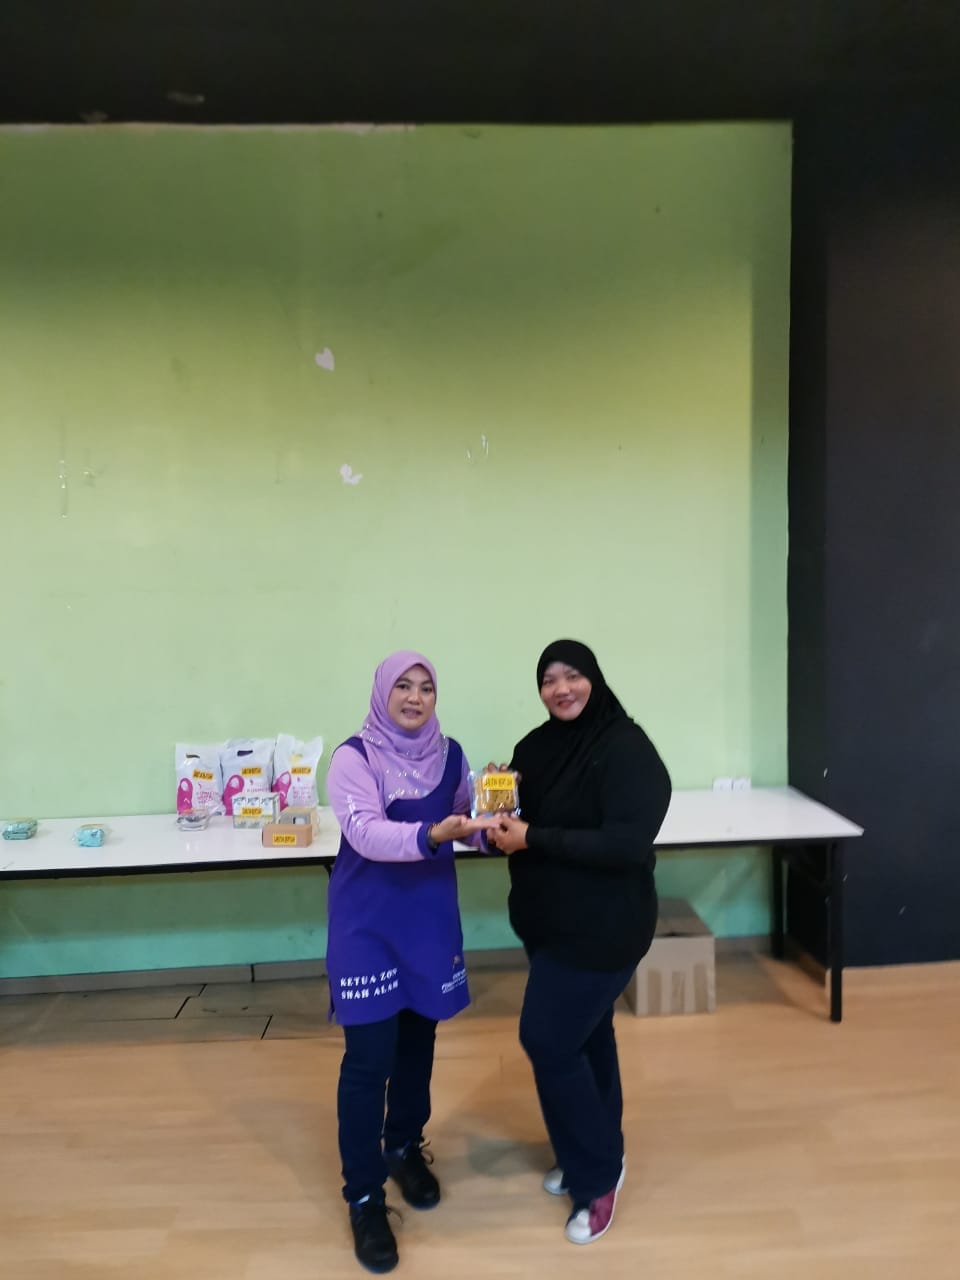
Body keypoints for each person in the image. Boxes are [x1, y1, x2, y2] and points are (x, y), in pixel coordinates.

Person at [487, 639, 671, 1247]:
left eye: (572, 675)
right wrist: (495, 811)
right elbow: (515, 826)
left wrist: (533, 837)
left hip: (605, 929)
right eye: (549, 679)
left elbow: (625, 845)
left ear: (594, 677)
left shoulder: (628, 749)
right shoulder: (535, 748)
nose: (561, 688)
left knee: (546, 1038)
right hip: (547, 924)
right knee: (587, 1035)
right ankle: (592, 1149)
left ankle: (597, 1178)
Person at [325, 650, 494, 1274]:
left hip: (426, 924)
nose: (415, 698)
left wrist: (494, 821)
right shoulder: (353, 758)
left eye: (426, 688)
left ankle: (402, 1147)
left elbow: (469, 829)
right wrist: (432, 835)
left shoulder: (451, 757)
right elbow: (366, 833)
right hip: (366, 927)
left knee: (418, 1045)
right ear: (382, 693)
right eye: (403, 686)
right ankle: (364, 1197)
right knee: (369, 1060)